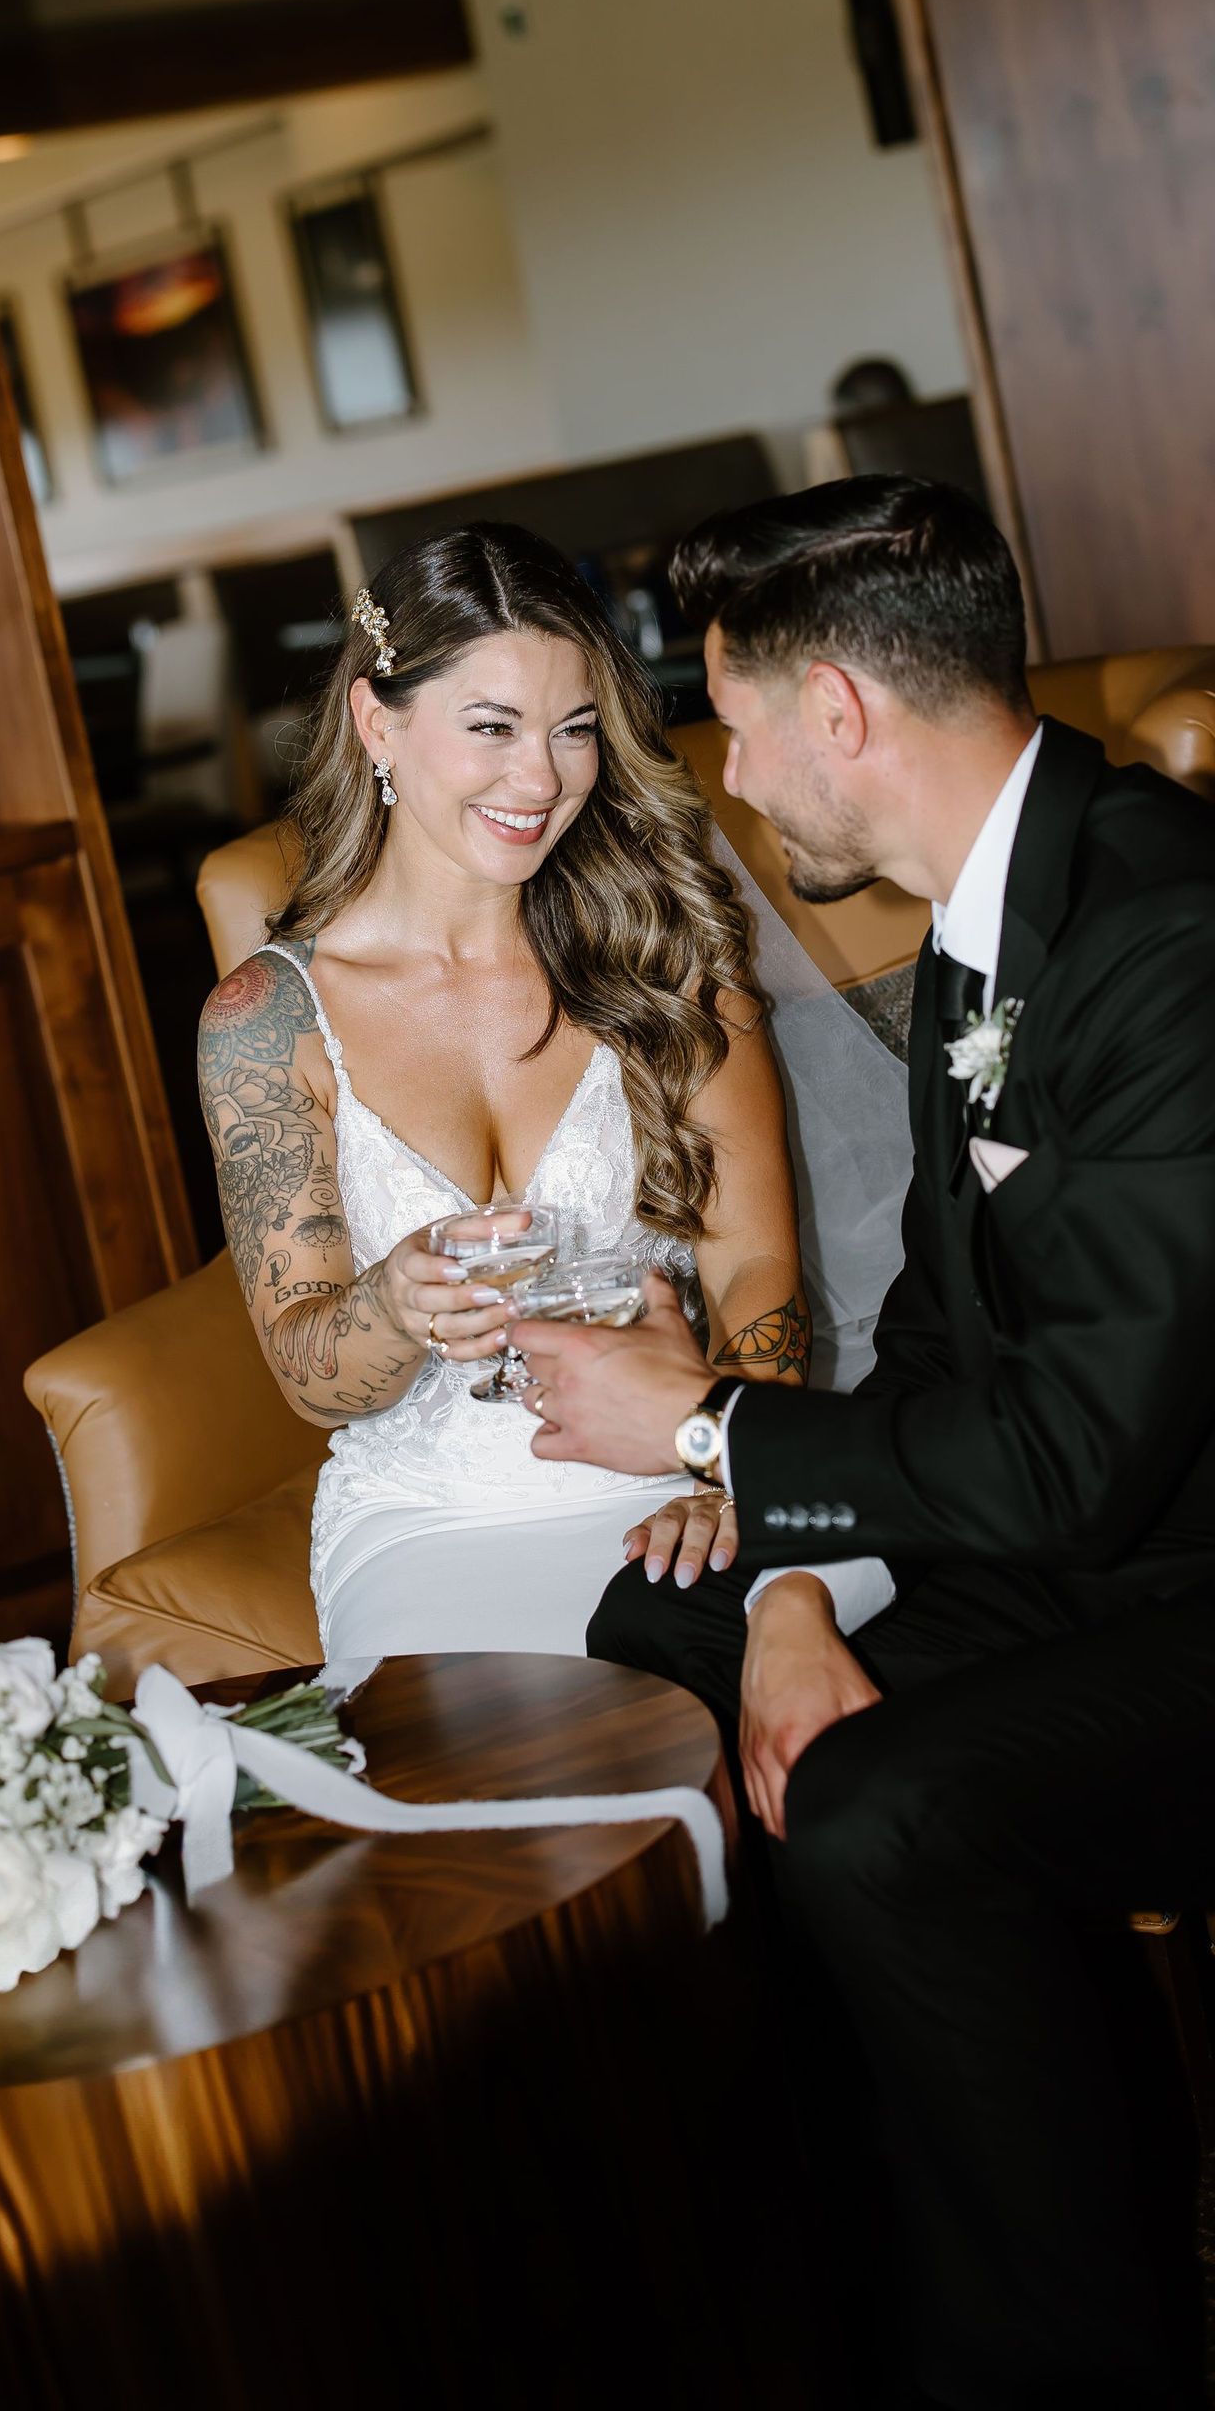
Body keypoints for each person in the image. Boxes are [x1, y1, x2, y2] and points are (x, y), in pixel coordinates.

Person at [513, 473, 1215, 2411]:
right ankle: (837, 2291)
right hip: (1121, 1547)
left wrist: (710, 1423)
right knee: (661, 1643)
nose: (733, 782)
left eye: (738, 724)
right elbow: (937, 1327)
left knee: (890, 1810)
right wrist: (792, 1584)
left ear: (841, 714)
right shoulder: (992, 915)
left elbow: (1068, 1456)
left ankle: (1065, 2364)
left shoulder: (1190, 952)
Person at [194, 520, 904, 1665]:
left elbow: (754, 1264)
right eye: (492, 728)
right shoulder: (267, 1023)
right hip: (436, 1520)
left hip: (685, 1469)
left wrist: (726, 1465)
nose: (542, 778)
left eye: (575, 731)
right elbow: (310, 1376)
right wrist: (393, 1307)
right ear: (379, 721)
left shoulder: (669, 964)